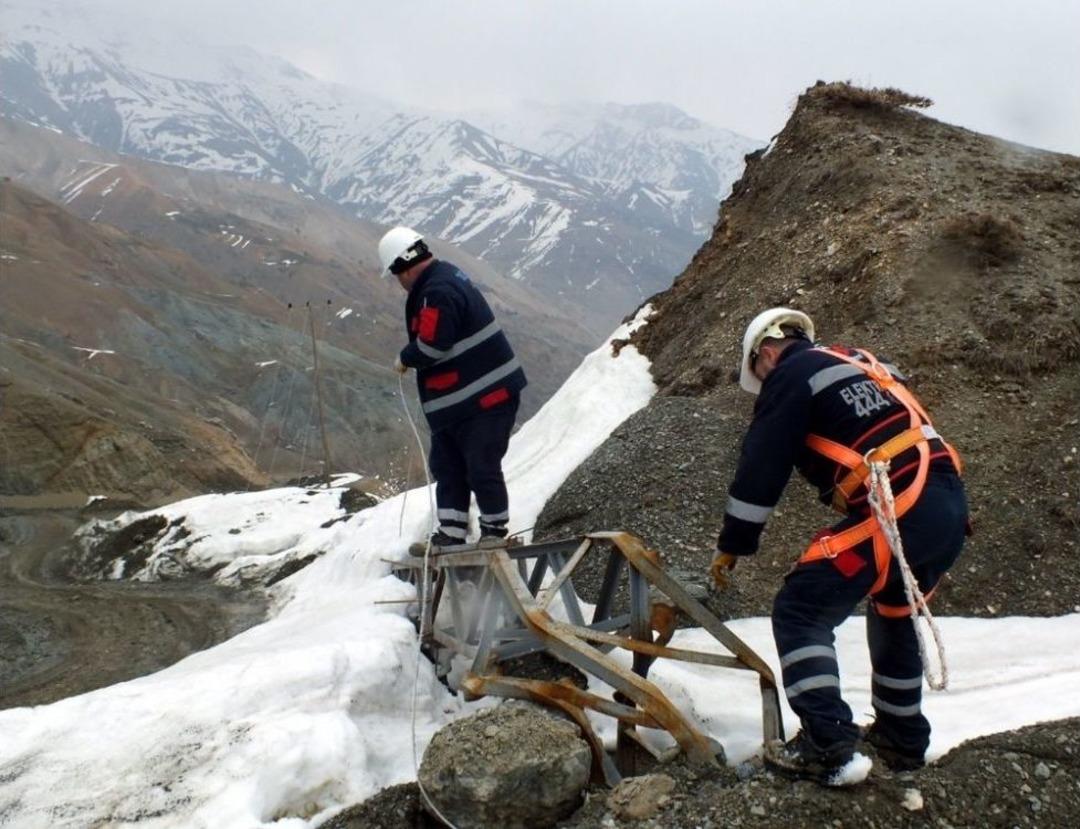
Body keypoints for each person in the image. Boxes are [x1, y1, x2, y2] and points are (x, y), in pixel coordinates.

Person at [713, 307, 968, 786]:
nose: (763, 383)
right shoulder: (868, 363)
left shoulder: (790, 373)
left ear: (766, 353)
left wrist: (735, 542)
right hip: (946, 507)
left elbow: (763, 463)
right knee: (894, 610)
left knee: (801, 609)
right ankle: (901, 740)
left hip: (901, 509)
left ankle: (829, 745)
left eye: (759, 373)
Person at [378, 226, 527, 552]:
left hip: (486, 399)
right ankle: (452, 533)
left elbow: (433, 345)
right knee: (448, 466)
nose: (398, 283)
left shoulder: (438, 290)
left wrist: (407, 357)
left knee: (480, 463)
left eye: (395, 275)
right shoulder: (439, 281)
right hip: (461, 404)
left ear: (401, 267)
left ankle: (493, 534)